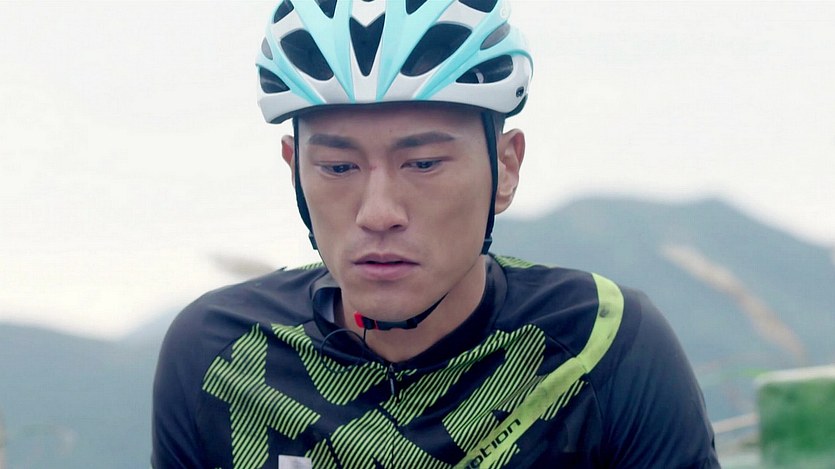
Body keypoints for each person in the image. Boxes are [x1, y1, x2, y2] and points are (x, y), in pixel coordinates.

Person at [152, 1, 719, 468]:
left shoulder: (603, 342)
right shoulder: (219, 356)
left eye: (423, 163)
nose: (378, 213)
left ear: (506, 168)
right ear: (294, 171)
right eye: (338, 167)